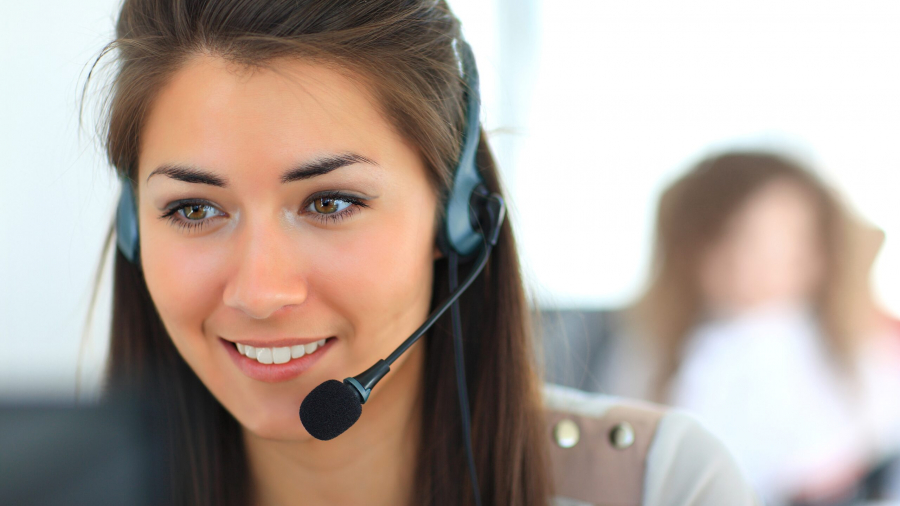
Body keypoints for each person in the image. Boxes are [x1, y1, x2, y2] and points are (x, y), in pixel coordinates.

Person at [84, 1, 758, 505]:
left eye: (330, 203)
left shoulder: (663, 486)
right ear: (136, 227)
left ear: (456, 216)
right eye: (194, 209)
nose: (261, 292)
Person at [605, 152, 900, 505]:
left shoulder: (855, 348)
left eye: (790, 243)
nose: (765, 264)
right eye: (743, 240)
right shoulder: (653, 352)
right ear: (693, 248)